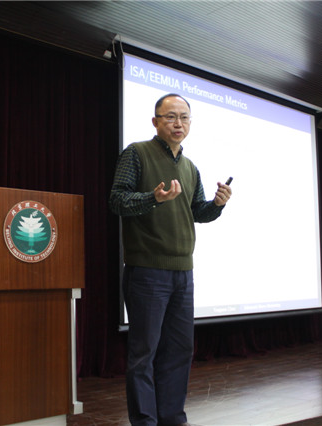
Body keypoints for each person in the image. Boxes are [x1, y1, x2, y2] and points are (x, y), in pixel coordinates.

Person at [109, 93, 232, 426]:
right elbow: (117, 200)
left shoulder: (191, 167)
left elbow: (198, 213)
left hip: (183, 272)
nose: (178, 123)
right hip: (147, 270)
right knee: (143, 354)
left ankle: (173, 419)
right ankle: (145, 422)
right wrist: (153, 198)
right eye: (171, 117)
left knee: (178, 351)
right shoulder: (136, 153)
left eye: (184, 117)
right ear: (155, 121)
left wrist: (217, 205)